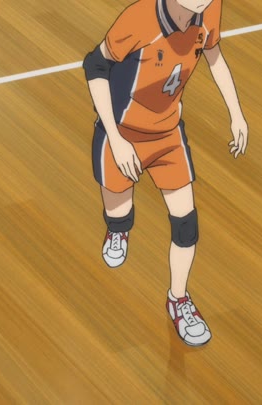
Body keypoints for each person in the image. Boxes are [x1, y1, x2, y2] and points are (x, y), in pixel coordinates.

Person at [82, 0, 248, 346]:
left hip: (168, 135)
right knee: (119, 212)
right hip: (122, 132)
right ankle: (118, 229)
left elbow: (213, 54)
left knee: (186, 224)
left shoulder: (210, 10)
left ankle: (178, 298)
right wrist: (116, 139)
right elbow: (94, 64)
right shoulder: (139, 19)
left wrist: (236, 114)